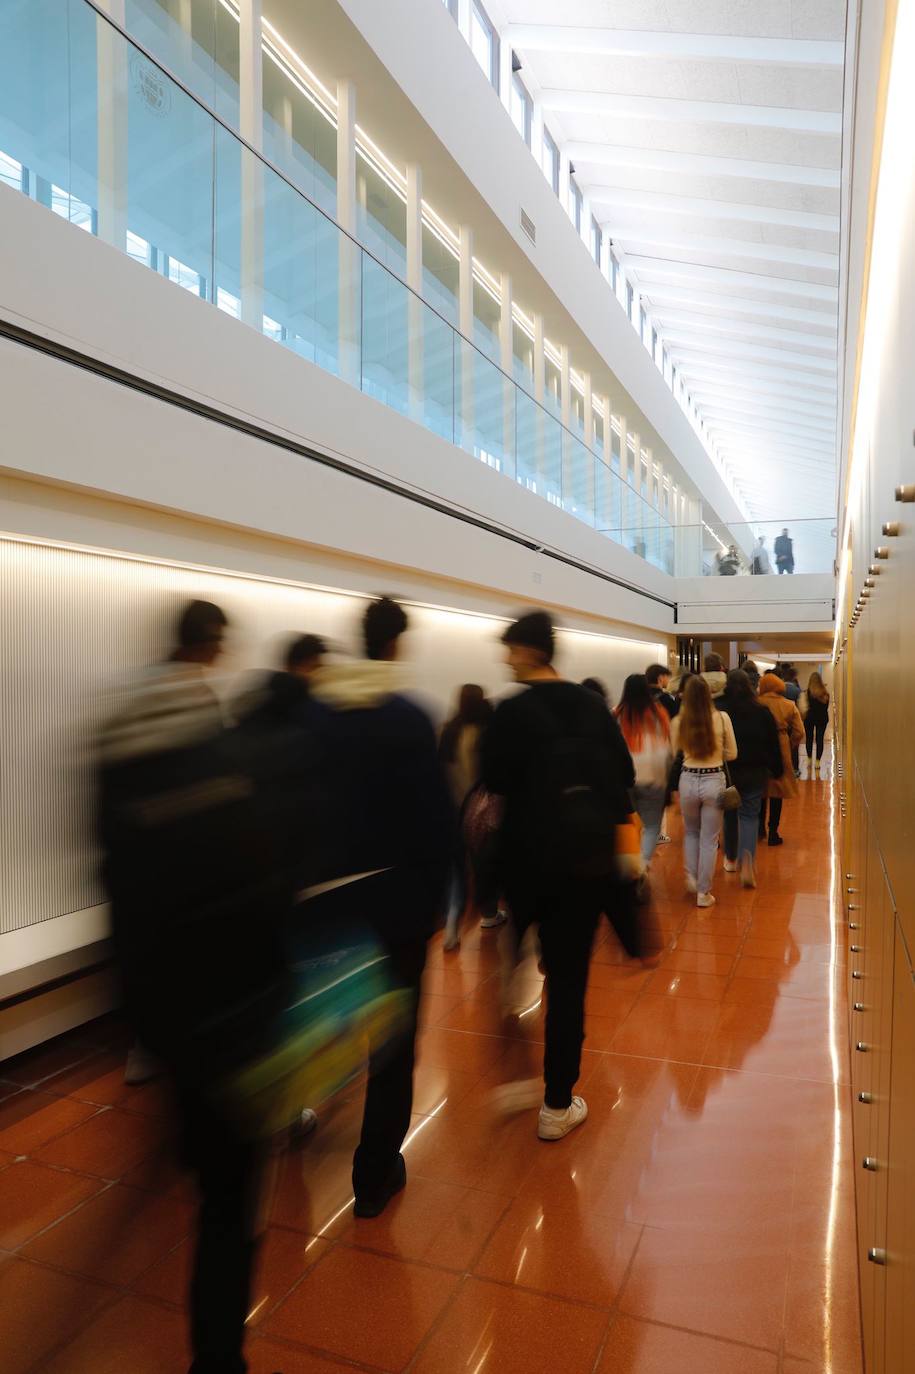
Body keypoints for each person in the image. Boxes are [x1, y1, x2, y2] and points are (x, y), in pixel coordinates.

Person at [99, 598, 302, 1374]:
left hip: (161, 999)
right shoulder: (227, 752)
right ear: (215, 652)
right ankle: (217, 1357)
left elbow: (117, 876)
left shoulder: (116, 745)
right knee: (228, 1200)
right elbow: (260, 885)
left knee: (190, 1157)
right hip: (236, 1005)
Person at [307, 596, 453, 1217]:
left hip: (327, 904)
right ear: (397, 644)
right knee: (392, 1046)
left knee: (325, 1019)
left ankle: (299, 1112)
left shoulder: (316, 716)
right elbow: (435, 820)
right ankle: (372, 1174)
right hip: (396, 905)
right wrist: (445, 899)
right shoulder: (409, 718)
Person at [482, 610, 634, 1140]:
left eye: (510, 648)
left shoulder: (510, 712)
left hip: (524, 863)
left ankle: (515, 1003)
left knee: (520, 949)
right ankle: (556, 1104)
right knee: (569, 983)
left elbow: (492, 781)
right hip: (581, 867)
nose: (505, 657)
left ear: (529, 651)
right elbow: (623, 780)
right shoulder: (592, 709)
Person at [121, 601, 228, 1088]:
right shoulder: (195, 698)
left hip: (140, 869)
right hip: (185, 869)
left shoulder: (136, 693)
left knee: (155, 966)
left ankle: (147, 1047)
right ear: (206, 643)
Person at [439, 683, 503, 948]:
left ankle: (452, 926)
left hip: (453, 808)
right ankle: (489, 912)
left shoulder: (448, 731)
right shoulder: (488, 733)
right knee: (485, 865)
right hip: (482, 811)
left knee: (457, 871)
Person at [670, 675, 737, 908]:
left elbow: (674, 752)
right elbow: (733, 754)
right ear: (709, 694)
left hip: (687, 778)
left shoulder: (678, 721)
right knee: (709, 839)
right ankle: (703, 893)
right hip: (714, 779)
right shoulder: (722, 717)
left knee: (690, 832)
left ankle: (691, 876)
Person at [719, 669, 783, 888]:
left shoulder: (720, 709)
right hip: (755, 772)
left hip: (728, 772)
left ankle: (730, 859)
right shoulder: (762, 711)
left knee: (729, 814)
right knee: (749, 816)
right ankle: (747, 863)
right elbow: (773, 743)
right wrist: (777, 769)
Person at [615, 675, 672, 870]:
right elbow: (667, 745)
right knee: (652, 825)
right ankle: (644, 863)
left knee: (631, 824)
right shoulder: (658, 713)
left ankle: (632, 861)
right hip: (653, 776)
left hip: (625, 778)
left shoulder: (617, 714)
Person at [757, 672, 805, 845]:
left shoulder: (756, 703)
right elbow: (799, 732)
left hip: (760, 746)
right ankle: (773, 832)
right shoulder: (789, 705)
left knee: (761, 790)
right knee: (777, 792)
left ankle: (759, 829)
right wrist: (789, 745)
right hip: (781, 744)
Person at [804, 672, 831, 778]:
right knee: (820, 739)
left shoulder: (808, 693)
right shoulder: (825, 694)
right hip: (822, 719)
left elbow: (807, 706)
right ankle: (818, 762)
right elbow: (826, 708)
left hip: (810, 718)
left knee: (809, 738)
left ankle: (809, 759)